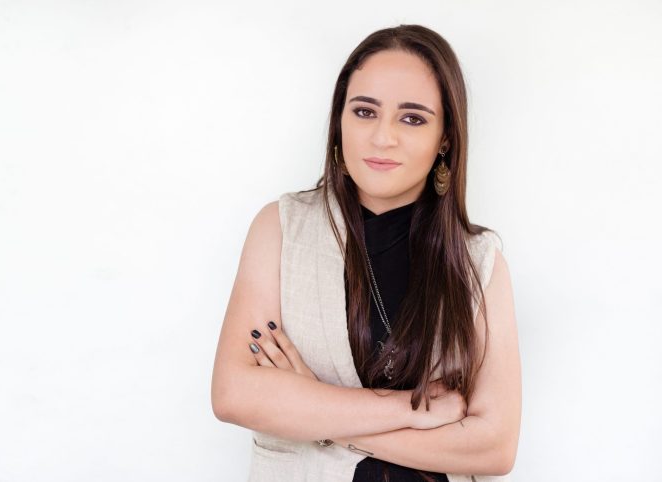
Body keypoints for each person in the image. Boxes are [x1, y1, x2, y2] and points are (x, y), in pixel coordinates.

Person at [211, 24, 521, 482]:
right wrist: (410, 408)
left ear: (446, 138)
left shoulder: (479, 261)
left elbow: (495, 447)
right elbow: (234, 394)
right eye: (364, 111)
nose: (382, 137)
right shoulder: (282, 228)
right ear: (340, 121)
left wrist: (314, 407)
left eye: (412, 118)